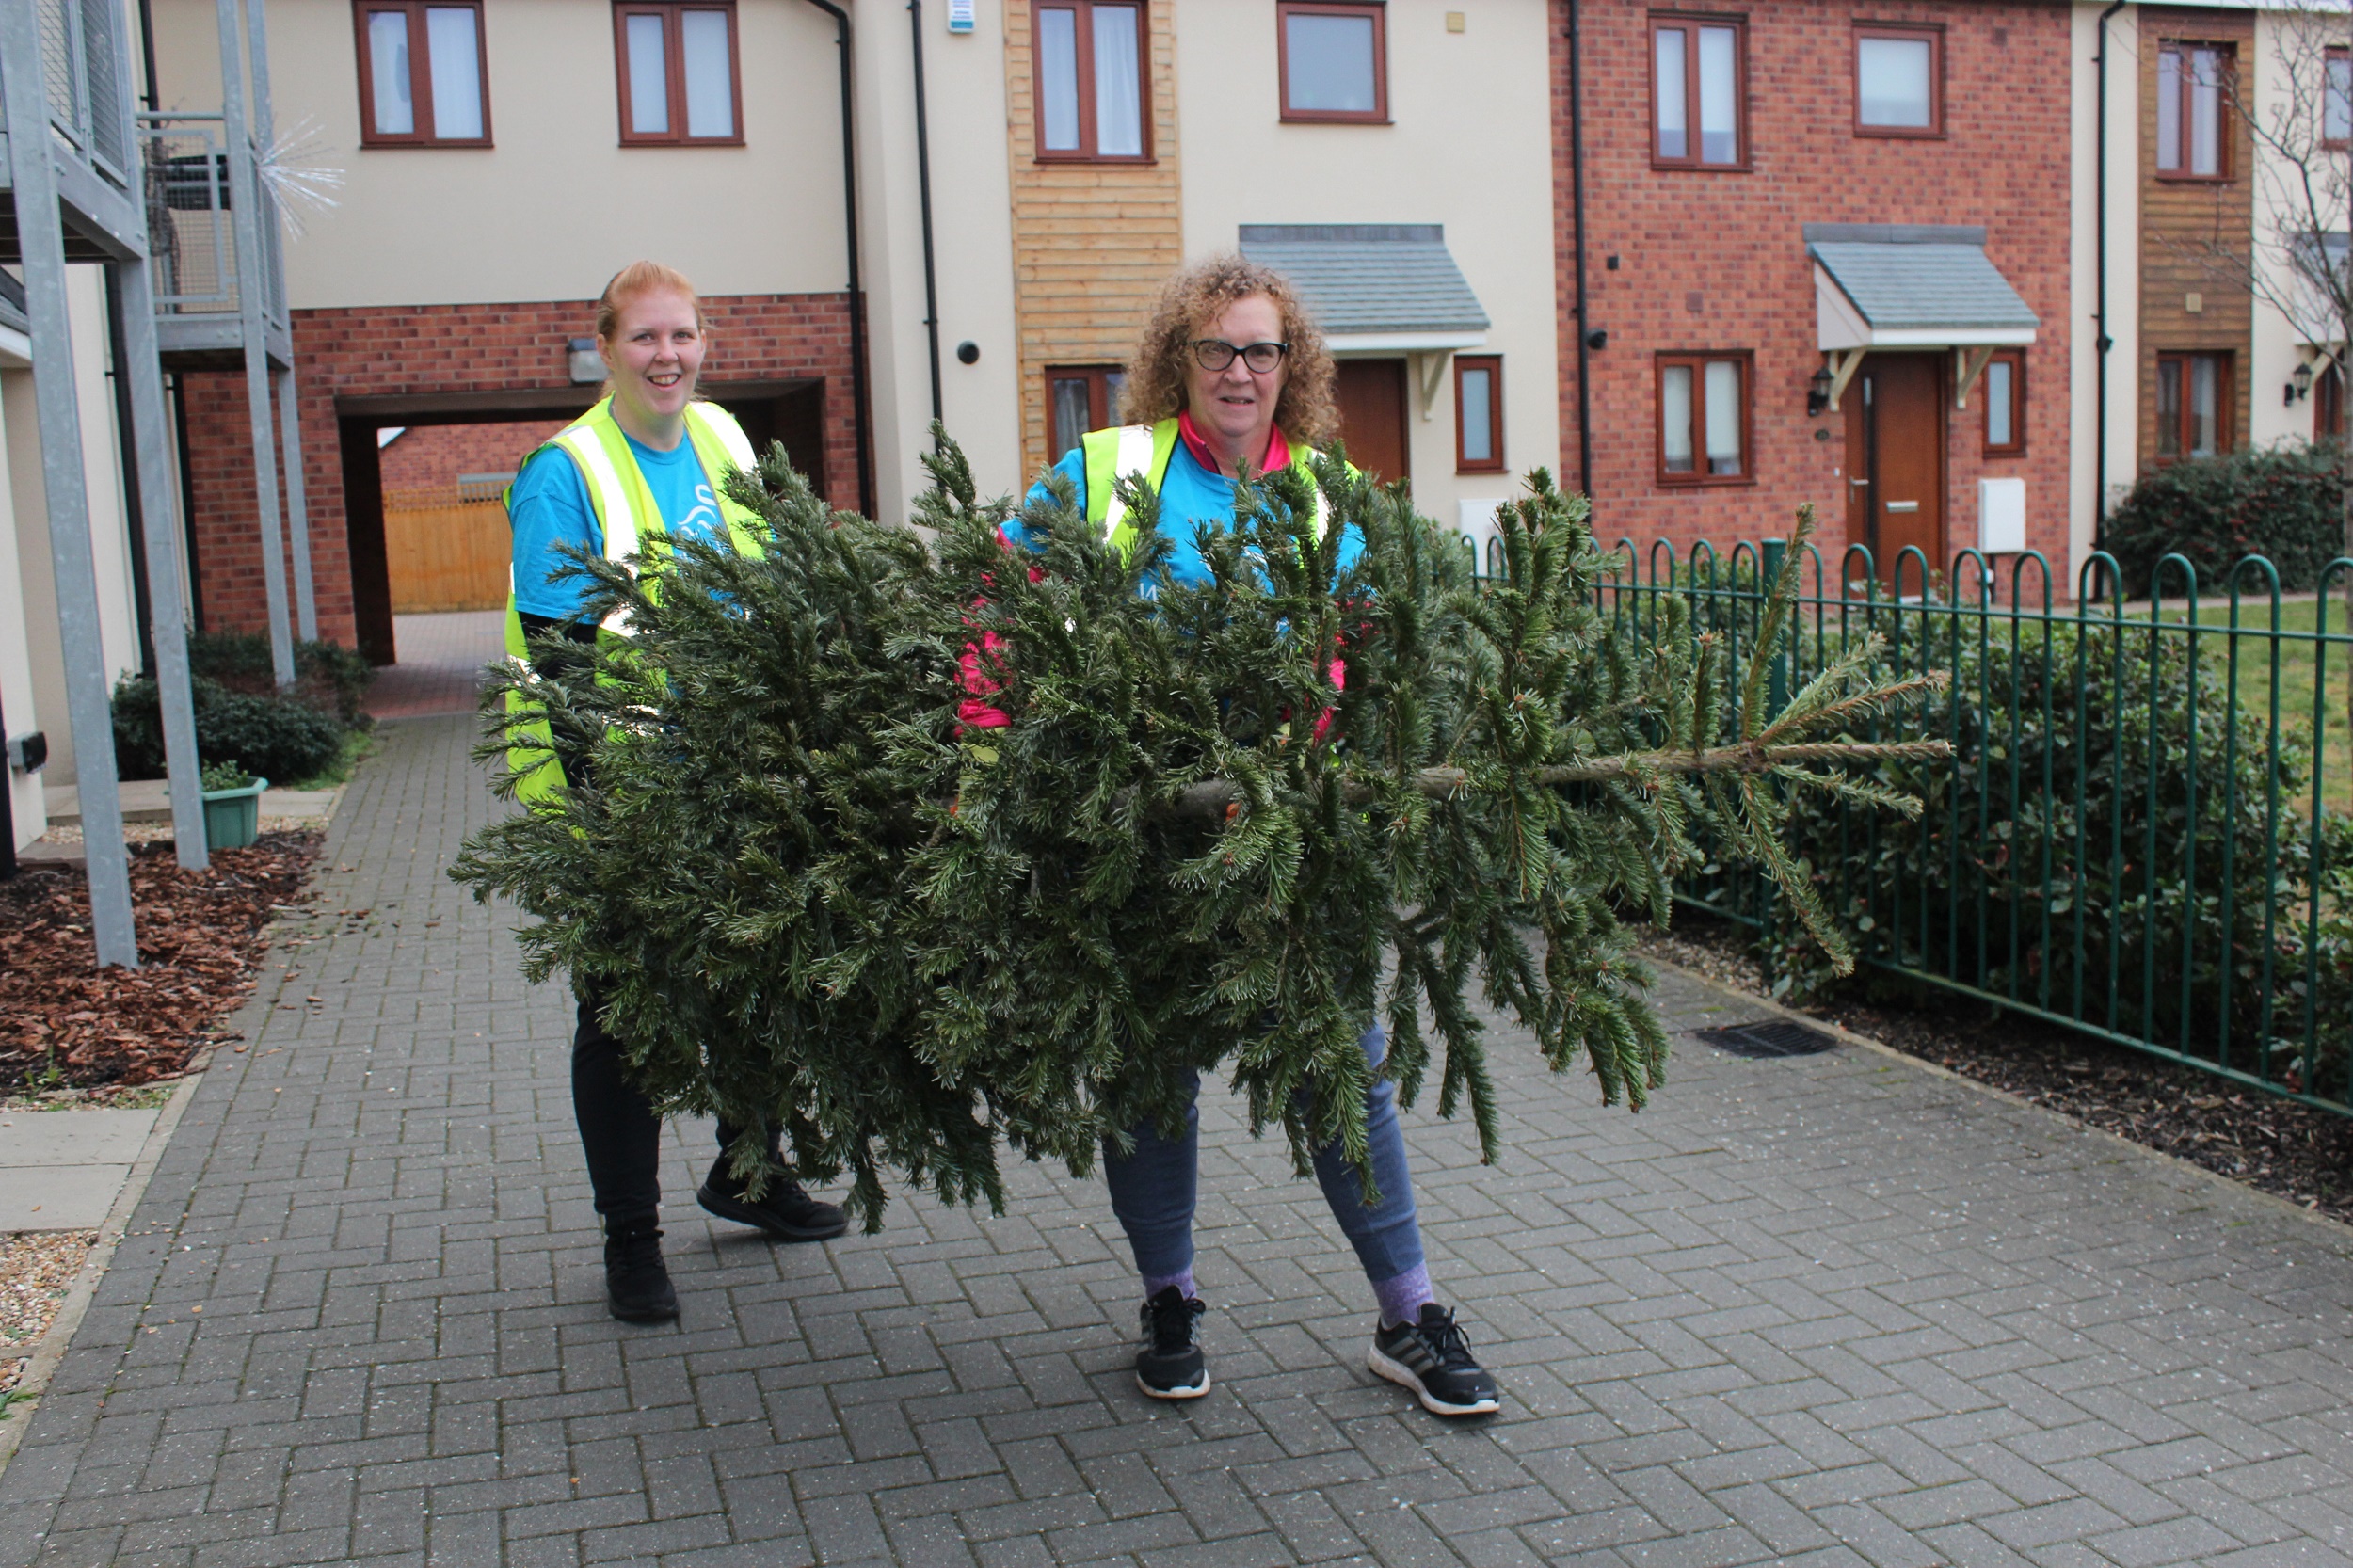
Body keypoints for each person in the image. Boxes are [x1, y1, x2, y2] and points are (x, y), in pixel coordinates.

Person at [1001, 255, 1501, 1417]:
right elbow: (1005, 611)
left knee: (1345, 1068)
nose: (1239, 370)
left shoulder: (1328, 498)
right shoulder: (1107, 473)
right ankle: (1168, 1299)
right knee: (1149, 1071)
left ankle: (1408, 1313)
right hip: (1141, 838)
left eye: (1262, 350)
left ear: (1293, 368)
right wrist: (999, 763)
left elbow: (1383, 658)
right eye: (1217, 348)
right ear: (1179, 358)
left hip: (1290, 848)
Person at [504, 261, 848, 1325]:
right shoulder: (564, 472)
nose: (668, 357)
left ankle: (750, 1172)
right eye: (646, 338)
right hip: (617, 785)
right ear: (604, 347)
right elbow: (561, 660)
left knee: (756, 974)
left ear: (706, 344)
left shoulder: (725, 441)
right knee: (625, 1016)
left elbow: (772, 589)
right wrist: (618, 815)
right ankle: (631, 1237)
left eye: (684, 337)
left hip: (735, 768)